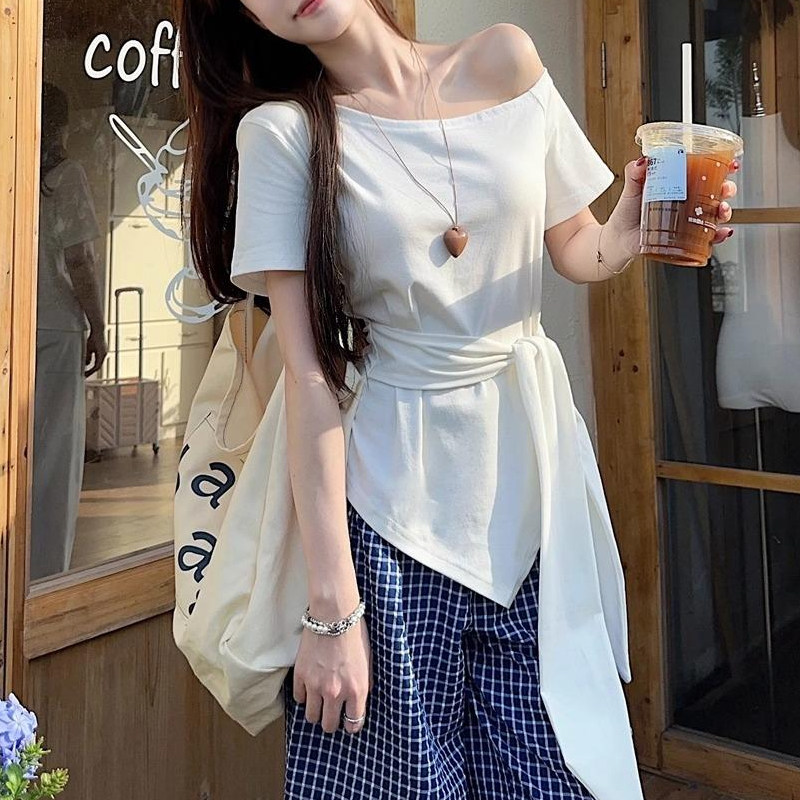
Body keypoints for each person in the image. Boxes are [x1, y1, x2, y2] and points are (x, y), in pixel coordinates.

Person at [176, 2, 738, 798]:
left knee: (561, 773)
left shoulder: (504, 59)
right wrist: (332, 609)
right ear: (247, 20)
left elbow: (579, 248)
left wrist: (636, 222)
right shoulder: (282, 135)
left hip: (531, 497)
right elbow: (308, 377)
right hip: (385, 517)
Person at [31, 81, 106, 580]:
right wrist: (98, 326)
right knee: (54, 455)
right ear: (59, 125)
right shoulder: (66, 176)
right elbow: (79, 261)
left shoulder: (14, 174)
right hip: (57, 327)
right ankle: (44, 576)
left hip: (17, 324)